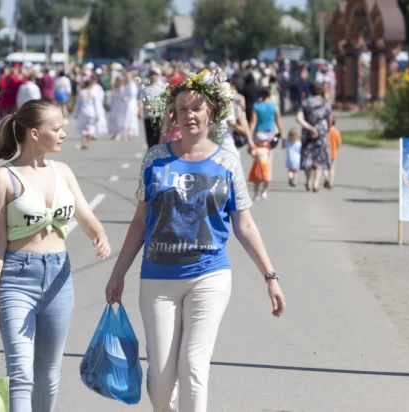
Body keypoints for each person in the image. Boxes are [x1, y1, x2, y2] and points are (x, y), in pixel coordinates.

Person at [105, 68, 286, 412]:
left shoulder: (227, 162)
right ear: (173, 114)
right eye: (183, 109)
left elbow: (244, 226)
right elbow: (140, 221)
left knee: (193, 367)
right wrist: (118, 273)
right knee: (160, 379)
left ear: (212, 113)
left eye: (197, 108)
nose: (190, 115)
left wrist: (270, 277)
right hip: (158, 278)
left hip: (209, 275)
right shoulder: (156, 159)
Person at [0, 99, 111, 412]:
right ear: (35, 134)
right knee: (22, 375)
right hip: (16, 280)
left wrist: (99, 235)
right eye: (58, 128)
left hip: (59, 280)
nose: (64, 134)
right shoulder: (3, 179)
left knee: (48, 376)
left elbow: (86, 215)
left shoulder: (63, 171)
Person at [295, 82, 332, 192]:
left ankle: (308, 182)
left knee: (307, 158)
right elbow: (330, 119)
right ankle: (316, 183)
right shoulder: (325, 104)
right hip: (321, 133)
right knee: (319, 158)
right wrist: (328, 129)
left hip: (308, 133)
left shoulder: (305, 103)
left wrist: (309, 127)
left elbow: (299, 118)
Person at [139, 68, 163, 148]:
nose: (153, 77)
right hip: (148, 114)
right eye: (151, 75)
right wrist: (140, 111)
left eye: (155, 75)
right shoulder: (144, 87)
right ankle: (151, 149)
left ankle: (157, 148)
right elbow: (141, 100)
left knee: (158, 132)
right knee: (150, 133)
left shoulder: (162, 86)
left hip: (159, 114)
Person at [73, 78, 98, 150]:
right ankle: (88, 143)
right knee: (90, 127)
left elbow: (78, 104)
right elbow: (96, 104)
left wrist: (75, 112)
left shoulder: (81, 92)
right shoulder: (93, 92)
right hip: (91, 112)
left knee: (83, 128)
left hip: (83, 112)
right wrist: (97, 113)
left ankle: (84, 142)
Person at [325, 117, 342, 189]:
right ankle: (331, 183)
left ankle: (327, 178)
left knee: (323, 168)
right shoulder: (336, 132)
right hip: (333, 152)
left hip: (324, 152)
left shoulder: (325, 131)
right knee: (332, 168)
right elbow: (339, 143)